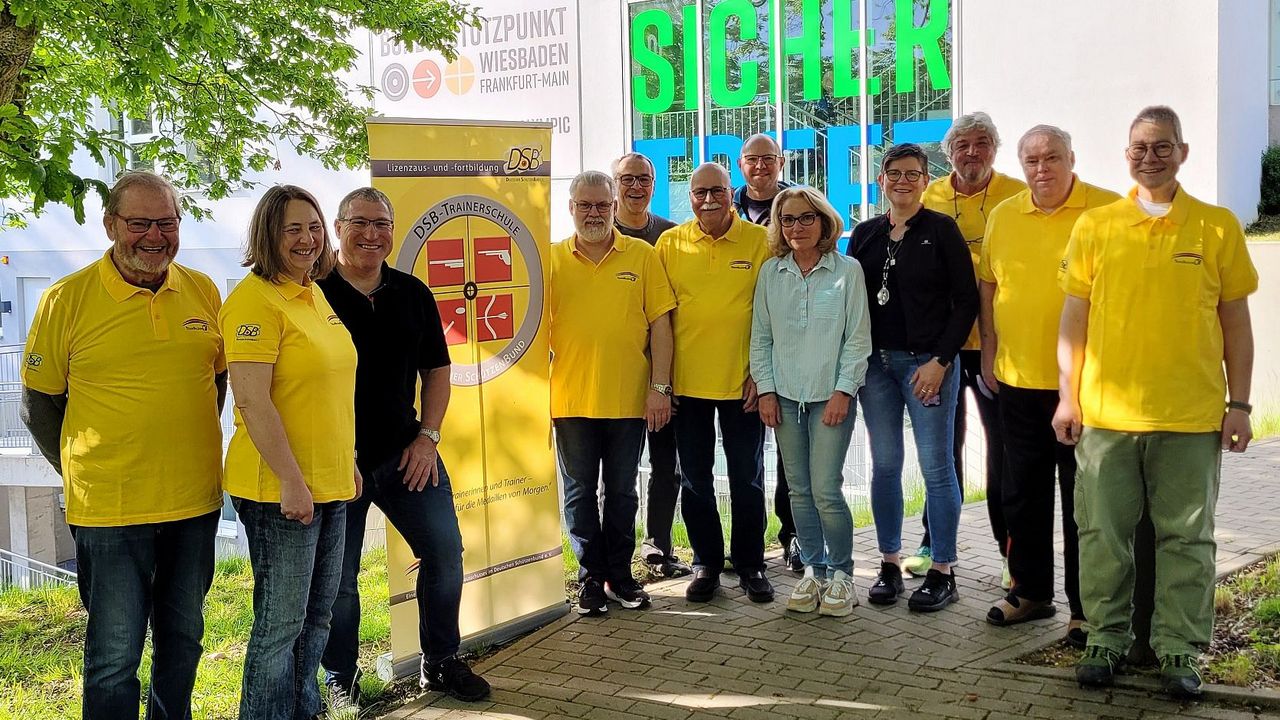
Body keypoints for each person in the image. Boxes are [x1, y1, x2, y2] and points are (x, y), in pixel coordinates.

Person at [1056, 106, 1257, 698]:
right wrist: (1068, 398)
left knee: (1189, 541)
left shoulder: (1216, 227)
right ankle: (1106, 639)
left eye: (1162, 146)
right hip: (1107, 419)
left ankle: (1179, 651)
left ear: (1183, 152)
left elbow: (1237, 326)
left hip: (1192, 418)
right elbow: (1074, 321)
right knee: (1101, 534)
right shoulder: (1097, 226)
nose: (1151, 156)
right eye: (1140, 147)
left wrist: (1240, 403)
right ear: (1127, 154)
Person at [20, 171, 225, 720]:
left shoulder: (203, 289)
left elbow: (217, 380)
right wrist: (85, 467)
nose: (154, 236)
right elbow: (39, 405)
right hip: (109, 509)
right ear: (110, 225)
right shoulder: (66, 299)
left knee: (182, 642)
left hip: (195, 503)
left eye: (167, 222)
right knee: (114, 656)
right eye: (139, 223)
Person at [317, 188, 490, 705]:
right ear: (338, 226)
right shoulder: (312, 290)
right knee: (339, 580)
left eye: (382, 224)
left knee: (444, 553)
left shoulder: (412, 292)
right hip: (333, 462)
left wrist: (427, 437)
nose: (372, 234)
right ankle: (340, 680)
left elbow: (437, 369)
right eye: (359, 223)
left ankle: (439, 663)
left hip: (404, 454)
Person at [220, 185, 360, 720]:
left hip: (329, 481)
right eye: (292, 229)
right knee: (280, 626)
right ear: (267, 236)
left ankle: (304, 710)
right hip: (280, 486)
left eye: (313, 226)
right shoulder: (253, 301)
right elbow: (253, 401)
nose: (307, 239)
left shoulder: (311, 292)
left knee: (317, 617)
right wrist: (292, 480)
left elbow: (323, 391)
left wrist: (342, 460)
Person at [977, 126, 1119, 645]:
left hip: (1085, 387)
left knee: (1084, 501)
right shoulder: (1004, 214)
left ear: (1072, 159)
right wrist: (990, 350)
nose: (1042, 168)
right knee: (1022, 494)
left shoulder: (1105, 212)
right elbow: (989, 286)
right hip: (1017, 381)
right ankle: (1031, 592)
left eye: (1052, 157)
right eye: (1032, 159)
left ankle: (1086, 608)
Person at [848, 143, 977, 612]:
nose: (902, 181)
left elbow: (966, 303)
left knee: (936, 468)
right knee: (884, 466)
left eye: (912, 174)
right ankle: (888, 563)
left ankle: (943, 570)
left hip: (928, 366)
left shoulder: (943, 230)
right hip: (876, 368)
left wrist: (941, 361)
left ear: (926, 180)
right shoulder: (864, 234)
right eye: (893, 173)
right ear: (880, 179)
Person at [551, 170, 677, 615]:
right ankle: (590, 579)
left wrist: (659, 388)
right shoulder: (550, 260)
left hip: (628, 401)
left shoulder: (641, 255)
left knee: (622, 492)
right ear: (570, 208)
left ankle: (620, 578)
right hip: (570, 401)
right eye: (585, 205)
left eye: (602, 205)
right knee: (580, 494)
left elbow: (662, 325)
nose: (594, 213)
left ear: (614, 206)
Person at [914, 112, 1025, 585]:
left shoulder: (1017, 195)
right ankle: (933, 542)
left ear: (994, 151)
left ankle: (1010, 551)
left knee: (1005, 450)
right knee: (941, 448)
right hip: (943, 346)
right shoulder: (930, 195)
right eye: (963, 145)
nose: (972, 153)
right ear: (949, 152)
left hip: (997, 345)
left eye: (982, 144)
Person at [750, 186, 871, 617]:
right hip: (784, 398)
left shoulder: (847, 271)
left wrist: (844, 391)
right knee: (798, 491)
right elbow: (760, 340)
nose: (796, 227)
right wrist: (765, 390)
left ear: (823, 222)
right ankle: (814, 571)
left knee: (825, 490)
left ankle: (842, 575)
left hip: (830, 398)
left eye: (805, 218)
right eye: (787, 220)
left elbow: (857, 340)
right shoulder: (771, 273)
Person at [656, 162, 773, 603]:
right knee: (695, 480)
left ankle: (750, 564)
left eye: (717, 191)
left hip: (742, 386)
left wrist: (762, 376)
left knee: (748, 479)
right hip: (688, 388)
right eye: (699, 191)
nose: (708, 199)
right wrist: (663, 384)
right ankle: (706, 562)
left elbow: (771, 314)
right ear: (690, 196)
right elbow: (661, 319)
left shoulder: (760, 241)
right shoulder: (670, 243)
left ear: (732, 193)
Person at [612, 152, 690, 579]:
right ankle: (612, 558)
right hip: (618, 374)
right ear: (615, 183)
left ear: (654, 184)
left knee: (666, 466)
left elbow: (676, 312)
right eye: (628, 179)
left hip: (661, 374)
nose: (636, 187)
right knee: (618, 474)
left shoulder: (670, 236)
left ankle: (658, 546)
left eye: (644, 178)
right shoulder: (599, 233)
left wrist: (668, 379)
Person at [734, 133, 802, 573]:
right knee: (747, 461)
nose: (760, 167)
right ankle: (749, 551)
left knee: (789, 456)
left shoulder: (797, 206)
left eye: (768, 159)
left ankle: (792, 536)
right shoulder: (722, 205)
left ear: (780, 162)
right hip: (736, 353)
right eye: (752, 159)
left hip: (787, 348)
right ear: (741, 164)